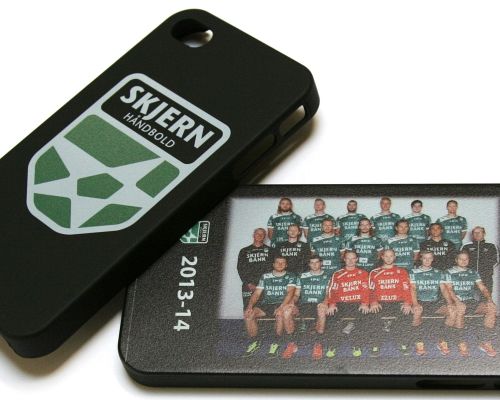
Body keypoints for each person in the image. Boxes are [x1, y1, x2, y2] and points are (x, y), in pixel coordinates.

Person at [445, 250, 497, 357]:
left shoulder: (473, 272)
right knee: (461, 308)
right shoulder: (448, 272)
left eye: (466, 259)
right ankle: (461, 342)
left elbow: (483, 288)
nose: (464, 261)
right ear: (456, 260)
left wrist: (489, 300)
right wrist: (458, 302)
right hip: (455, 301)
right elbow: (449, 290)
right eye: (461, 259)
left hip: (470, 301)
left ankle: (485, 341)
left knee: (491, 308)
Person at [243, 256, 298, 357]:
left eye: (283, 263)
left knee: (280, 314)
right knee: (248, 315)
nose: (280, 264)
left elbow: (290, 293)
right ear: (273, 264)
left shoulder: (291, 276)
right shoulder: (265, 276)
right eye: (277, 262)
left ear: (286, 265)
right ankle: (254, 342)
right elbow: (257, 293)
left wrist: (281, 307)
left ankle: (275, 343)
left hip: (282, 303)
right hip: (267, 304)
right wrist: (250, 306)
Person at [324, 250, 370, 357]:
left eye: (353, 258)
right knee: (331, 316)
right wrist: (332, 304)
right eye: (348, 258)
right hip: (342, 304)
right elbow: (332, 291)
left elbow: (367, 290)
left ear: (356, 259)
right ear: (344, 259)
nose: (350, 261)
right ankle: (333, 346)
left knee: (364, 317)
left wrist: (365, 303)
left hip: (358, 303)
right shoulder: (337, 274)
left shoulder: (363, 273)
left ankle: (357, 345)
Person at [368, 249, 413, 357]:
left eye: (391, 256)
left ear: (394, 257)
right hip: (380, 303)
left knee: (406, 315)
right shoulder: (374, 272)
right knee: (372, 318)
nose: (388, 258)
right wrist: (373, 302)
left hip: (397, 302)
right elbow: (370, 290)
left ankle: (403, 344)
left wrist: (407, 303)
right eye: (386, 256)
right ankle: (375, 345)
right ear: (382, 257)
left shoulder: (402, 271)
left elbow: (407, 289)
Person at [410, 251, 456, 356]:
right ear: (420, 259)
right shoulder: (413, 272)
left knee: (452, 311)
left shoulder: (438, 272)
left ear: (432, 259)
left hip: (435, 303)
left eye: (429, 258)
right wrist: (415, 304)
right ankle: (419, 341)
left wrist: (450, 302)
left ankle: (442, 339)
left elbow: (443, 289)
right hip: (420, 302)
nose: (427, 260)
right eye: (425, 258)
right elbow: (412, 288)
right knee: (416, 311)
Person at [293, 256, 331, 359]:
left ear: (321, 263)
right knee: (288, 311)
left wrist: (324, 303)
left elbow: (328, 294)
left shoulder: (327, 276)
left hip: (320, 304)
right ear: (309, 264)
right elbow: (296, 294)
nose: (314, 265)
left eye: (316, 262)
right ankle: (291, 342)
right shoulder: (302, 276)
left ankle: (318, 344)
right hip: (305, 304)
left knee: (321, 311)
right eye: (312, 263)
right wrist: (292, 303)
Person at [237, 228, 275, 308]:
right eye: (257, 233)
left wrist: (265, 284)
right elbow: (240, 268)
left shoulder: (271, 251)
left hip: (266, 285)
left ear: (265, 236)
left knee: (266, 310)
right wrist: (248, 283)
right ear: (253, 235)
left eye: (262, 234)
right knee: (248, 309)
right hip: (249, 285)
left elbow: (274, 268)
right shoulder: (244, 251)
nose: (259, 235)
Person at [461, 226, 499, 294]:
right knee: (467, 298)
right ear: (472, 234)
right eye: (475, 232)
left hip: (486, 278)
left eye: (479, 232)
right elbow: (460, 260)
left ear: (484, 234)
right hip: (469, 277)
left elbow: (496, 260)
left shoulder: (491, 246)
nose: (477, 234)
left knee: (486, 298)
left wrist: (486, 270)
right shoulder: (466, 246)